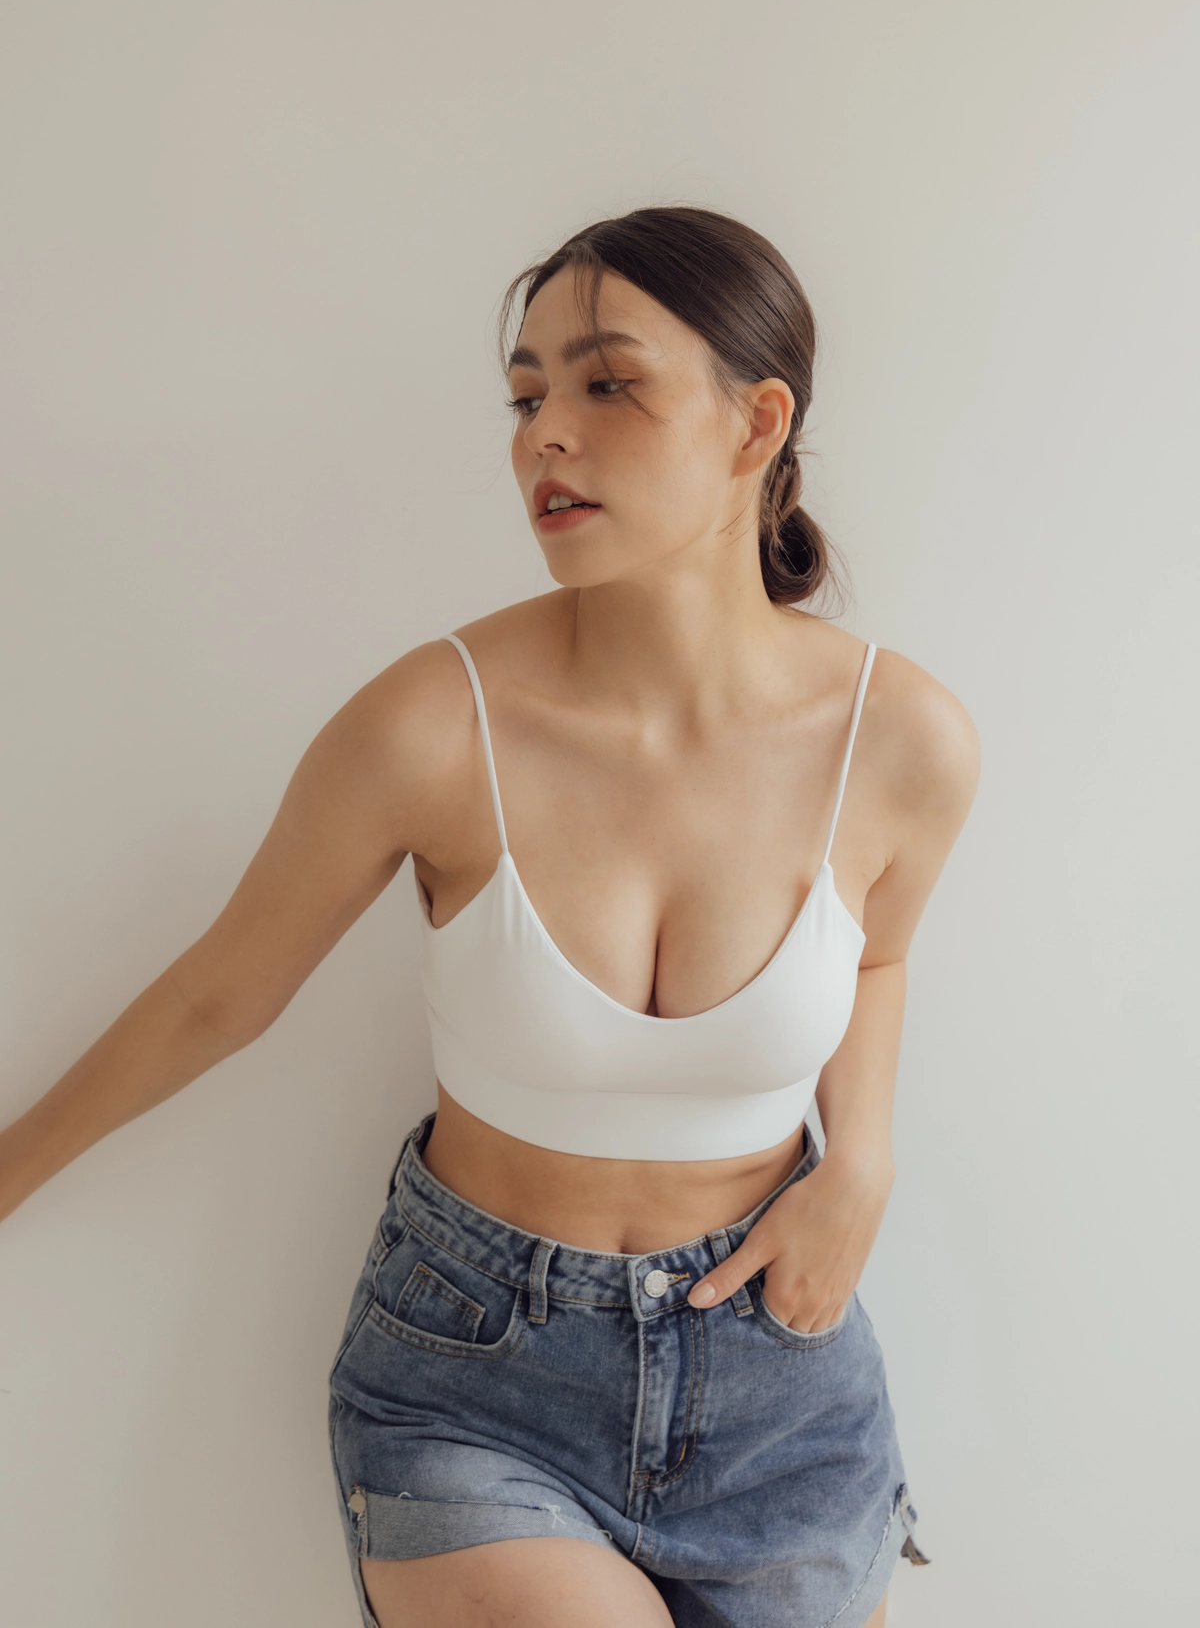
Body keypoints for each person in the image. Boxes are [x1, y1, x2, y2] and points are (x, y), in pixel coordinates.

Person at [0, 206, 979, 1628]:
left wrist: (864, 1162)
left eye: (606, 383)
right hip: (476, 1373)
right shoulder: (432, 726)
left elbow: (877, 950)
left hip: (780, 1386)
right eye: (526, 399)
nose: (545, 437)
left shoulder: (902, 741)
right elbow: (224, 990)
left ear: (757, 423)